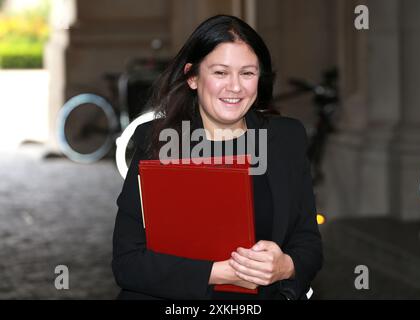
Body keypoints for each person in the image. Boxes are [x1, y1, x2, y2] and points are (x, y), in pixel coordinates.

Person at [112, 14, 322, 300]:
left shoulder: (286, 138)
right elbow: (128, 263)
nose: (235, 87)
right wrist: (221, 272)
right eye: (220, 73)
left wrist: (286, 266)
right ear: (193, 77)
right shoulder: (158, 141)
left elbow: (308, 241)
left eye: (247, 73)